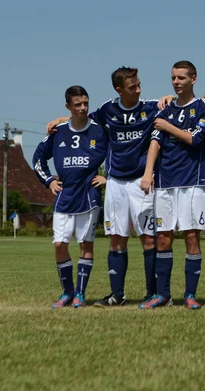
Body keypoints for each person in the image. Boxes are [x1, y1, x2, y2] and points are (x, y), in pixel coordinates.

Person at [46, 67, 169, 306]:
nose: (138, 90)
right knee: (116, 238)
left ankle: (152, 293)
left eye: (139, 84)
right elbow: (83, 120)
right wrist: (62, 120)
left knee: (147, 238)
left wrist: (172, 98)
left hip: (140, 183)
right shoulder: (107, 110)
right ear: (119, 89)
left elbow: (179, 108)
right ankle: (118, 295)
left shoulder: (151, 107)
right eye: (133, 87)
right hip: (115, 184)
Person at [139, 60, 205, 309]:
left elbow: (195, 139)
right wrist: (148, 173)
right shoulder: (165, 108)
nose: (176, 82)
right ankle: (163, 295)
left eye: (181, 78)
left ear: (194, 78)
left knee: (191, 236)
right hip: (165, 183)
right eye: (173, 78)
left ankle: (190, 295)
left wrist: (168, 126)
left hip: (192, 183)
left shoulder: (203, 106)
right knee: (163, 238)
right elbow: (155, 142)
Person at [33, 85, 108, 308]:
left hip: (88, 195)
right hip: (64, 197)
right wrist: (49, 181)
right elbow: (38, 158)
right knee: (59, 244)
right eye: (78, 104)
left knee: (86, 244)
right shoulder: (59, 132)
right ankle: (67, 292)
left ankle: (80, 295)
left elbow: (120, 152)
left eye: (86, 103)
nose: (83, 108)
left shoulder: (99, 130)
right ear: (68, 106)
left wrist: (109, 177)